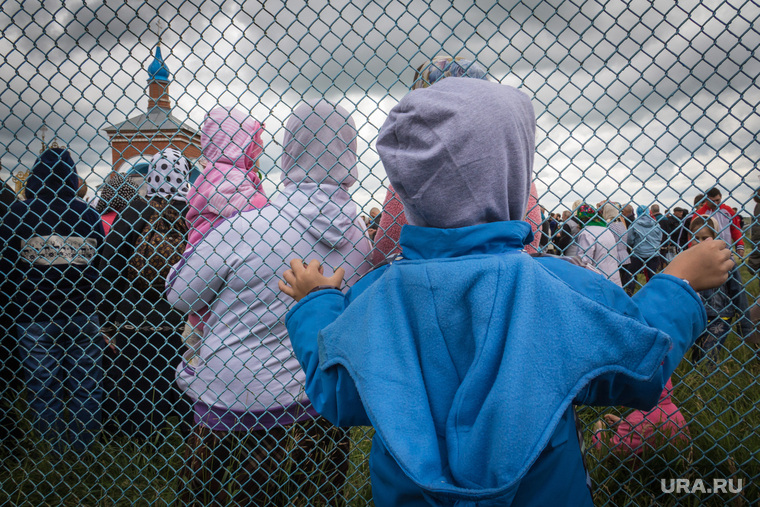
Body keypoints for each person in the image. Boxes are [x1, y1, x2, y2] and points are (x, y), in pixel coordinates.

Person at [279, 78, 732, 506]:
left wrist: (315, 302)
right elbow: (639, 364)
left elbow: (337, 388)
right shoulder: (558, 285)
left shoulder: (375, 297)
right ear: (514, 172)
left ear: (405, 183)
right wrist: (677, 282)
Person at [166, 100, 371, 506]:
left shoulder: (249, 225)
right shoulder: (361, 239)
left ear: (288, 151)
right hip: (317, 394)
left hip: (232, 394)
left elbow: (180, 295)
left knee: (216, 491)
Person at [0, 148, 105, 453]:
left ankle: (52, 448)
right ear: (72, 178)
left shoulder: (20, 213)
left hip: (34, 312)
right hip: (82, 309)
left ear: (36, 177)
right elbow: (99, 261)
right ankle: (83, 447)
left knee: (43, 382)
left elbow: (7, 264)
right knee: (86, 382)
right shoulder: (87, 213)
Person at [97, 148, 192, 443]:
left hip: (135, 319)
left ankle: (141, 445)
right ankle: (189, 439)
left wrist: (106, 319)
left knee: (137, 387)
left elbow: (110, 265)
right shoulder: (195, 210)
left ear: (151, 175)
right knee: (184, 383)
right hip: (183, 318)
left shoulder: (135, 210)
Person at [183, 106, 268, 367]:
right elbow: (259, 213)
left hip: (208, 275)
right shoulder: (227, 180)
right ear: (235, 145)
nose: (260, 149)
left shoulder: (215, 175)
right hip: (216, 289)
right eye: (254, 142)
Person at [688, 216, 751, 366]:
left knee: (707, 358)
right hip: (696, 316)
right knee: (696, 356)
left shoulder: (727, 261)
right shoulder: (688, 261)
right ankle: (697, 383)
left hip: (719, 315)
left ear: (715, 236)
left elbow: (738, 292)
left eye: (705, 238)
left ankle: (705, 381)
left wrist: (745, 325)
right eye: (696, 238)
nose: (700, 242)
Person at [592, 379, 690, 459]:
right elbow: (645, 432)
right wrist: (624, 425)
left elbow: (606, 452)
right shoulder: (673, 411)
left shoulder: (639, 420)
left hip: (640, 479)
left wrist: (598, 431)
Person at [575, 203, 622, 286]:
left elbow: (584, 261)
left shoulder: (586, 233)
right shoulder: (606, 230)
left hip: (597, 279)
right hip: (613, 276)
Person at [694, 187, 745, 257]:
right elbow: (693, 234)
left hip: (727, 250)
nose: (715, 203)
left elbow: (735, 229)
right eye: (712, 201)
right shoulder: (700, 213)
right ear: (706, 200)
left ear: (721, 197)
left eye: (718, 200)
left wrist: (739, 245)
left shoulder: (728, 210)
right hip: (708, 253)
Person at [624, 205, 663, 294]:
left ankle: (630, 290)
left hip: (639, 252)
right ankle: (653, 292)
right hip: (653, 253)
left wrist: (634, 244)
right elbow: (660, 237)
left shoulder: (635, 224)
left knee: (630, 273)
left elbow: (629, 239)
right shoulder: (655, 223)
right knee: (652, 275)